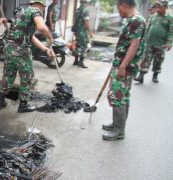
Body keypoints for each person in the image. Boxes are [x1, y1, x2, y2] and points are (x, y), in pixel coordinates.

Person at [0, 0, 55, 113]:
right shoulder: (36, 11)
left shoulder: (22, 13)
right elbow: (42, 27)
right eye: (44, 7)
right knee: (27, 76)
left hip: (9, 48)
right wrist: (49, 36)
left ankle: (1, 101)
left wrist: (46, 49)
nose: (43, 9)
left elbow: (30, 37)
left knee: (8, 74)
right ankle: (23, 105)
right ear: (42, 5)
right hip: (20, 50)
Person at [102, 0, 146, 141]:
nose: (118, 11)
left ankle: (118, 131)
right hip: (123, 64)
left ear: (124, 5)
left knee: (118, 96)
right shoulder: (133, 20)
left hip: (125, 67)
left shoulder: (136, 21)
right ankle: (117, 125)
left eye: (118, 8)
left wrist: (122, 66)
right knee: (122, 96)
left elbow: (134, 45)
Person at [134, 1, 173, 83]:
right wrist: (144, 39)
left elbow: (171, 31)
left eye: (160, 7)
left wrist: (169, 43)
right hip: (149, 42)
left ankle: (155, 75)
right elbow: (148, 28)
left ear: (165, 7)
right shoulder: (152, 16)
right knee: (145, 59)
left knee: (158, 61)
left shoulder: (170, 18)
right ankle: (141, 76)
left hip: (161, 44)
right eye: (157, 7)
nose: (158, 8)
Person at [72, 0, 93, 68]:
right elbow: (86, 22)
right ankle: (81, 62)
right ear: (86, 2)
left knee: (78, 45)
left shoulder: (77, 10)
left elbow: (75, 21)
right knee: (84, 46)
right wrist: (90, 32)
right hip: (83, 32)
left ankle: (75, 61)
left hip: (77, 31)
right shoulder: (85, 10)